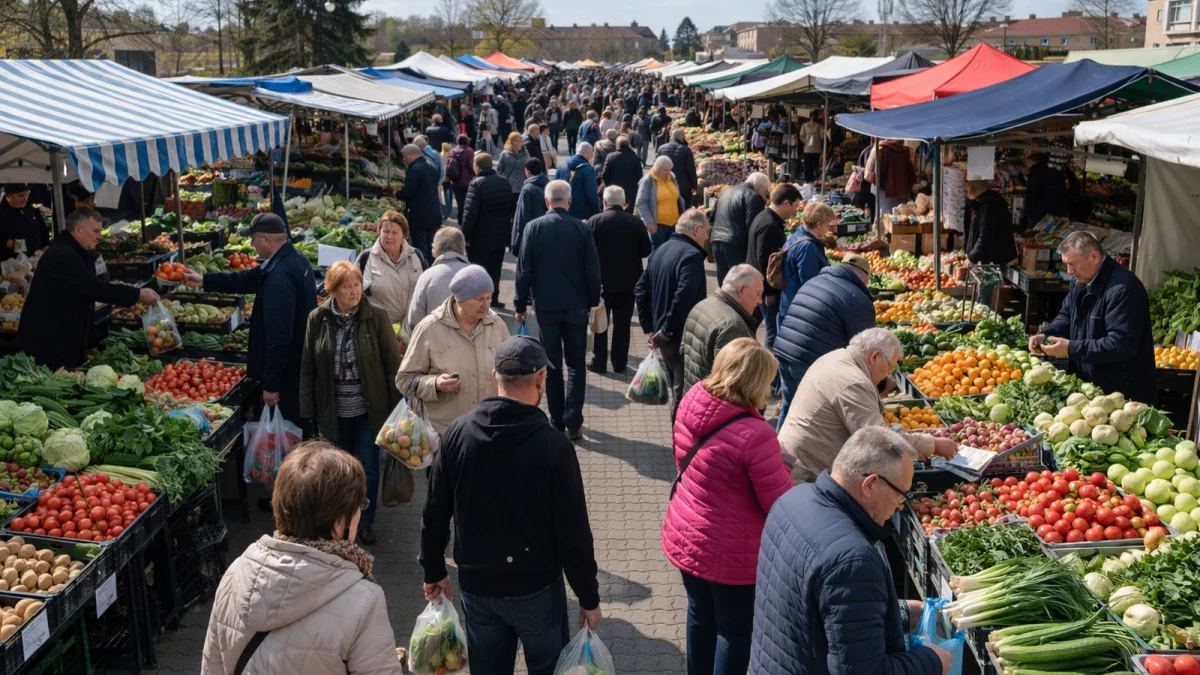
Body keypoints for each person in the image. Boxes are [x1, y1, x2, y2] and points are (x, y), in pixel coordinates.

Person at [420, 336, 601, 675]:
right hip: (536, 589)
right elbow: (573, 532)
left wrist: (433, 569)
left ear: (494, 377)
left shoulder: (458, 434)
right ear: (541, 380)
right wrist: (588, 597)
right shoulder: (555, 446)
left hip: (478, 585)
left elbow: (434, 511)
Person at [750, 427, 953, 675]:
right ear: (870, 484)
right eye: (901, 495)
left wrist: (893, 614)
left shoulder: (792, 499)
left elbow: (819, 608)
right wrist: (932, 662)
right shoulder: (853, 559)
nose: (901, 506)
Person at [202, 442, 403, 674]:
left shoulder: (235, 573)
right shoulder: (364, 600)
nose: (360, 512)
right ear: (339, 521)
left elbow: (212, 666)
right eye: (359, 505)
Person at [664, 338, 792, 675]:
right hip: (732, 552)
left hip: (687, 532)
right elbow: (777, 501)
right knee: (735, 632)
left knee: (699, 615)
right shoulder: (756, 434)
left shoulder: (694, 398)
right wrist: (785, 468)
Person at [298, 261, 402, 545]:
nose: (354, 291)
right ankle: (339, 520)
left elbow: (393, 365)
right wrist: (307, 410)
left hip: (370, 408)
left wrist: (399, 409)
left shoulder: (376, 317)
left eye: (357, 285)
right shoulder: (317, 319)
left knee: (367, 466)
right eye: (347, 286)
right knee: (337, 469)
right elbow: (308, 367)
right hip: (333, 410)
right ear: (332, 290)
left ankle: (365, 522)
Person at [183, 213, 314, 425]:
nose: (251, 244)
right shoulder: (294, 259)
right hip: (300, 366)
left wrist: (271, 385)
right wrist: (204, 281)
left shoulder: (278, 280)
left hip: (288, 375)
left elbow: (279, 338)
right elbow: (247, 278)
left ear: (266, 239)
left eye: (253, 238)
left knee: (288, 433)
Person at [779, 329, 957, 483]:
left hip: (794, 459)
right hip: (805, 472)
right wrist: (931, 444)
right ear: (875, 356)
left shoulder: (836, 357)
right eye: (890, 367)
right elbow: (879, 440)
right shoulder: (853, 381)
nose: (888, 375)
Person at [514, 180, 602, 439]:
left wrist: (520, 305)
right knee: (576, 363)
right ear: (570, 201)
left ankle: (556, 420)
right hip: (576, 307)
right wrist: (592, 301)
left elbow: (523, 270)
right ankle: (573, 420)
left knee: (551, 364)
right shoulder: (581, 228)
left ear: (546, 201)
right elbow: (592, 269)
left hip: (546, 308)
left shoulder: (533, 228)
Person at [17, 207, 157, 371]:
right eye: (96, 231)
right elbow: (93, 288)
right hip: (48, 341)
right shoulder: (62, 255)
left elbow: (85, 300)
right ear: (78, 230)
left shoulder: (77, 253)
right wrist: (137, 294)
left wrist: (91, 341)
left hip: (63, 337)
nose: (99, 236)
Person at [1029, 231, 1156, 403]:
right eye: (1066, 264)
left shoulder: (1124, 289)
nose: (1069, 271)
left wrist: (1071, 348)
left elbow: (1121, 345)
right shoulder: (1080, 281)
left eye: (1072, 264)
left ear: (1094, 257)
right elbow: (1067, 315)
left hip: (1121, 393)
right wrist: (1046, 333)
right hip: (1090, 386)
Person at [397, 265, 510, 433]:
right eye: (479, 299)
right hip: (446, 434)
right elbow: (404, 381)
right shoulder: (429, 328)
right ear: (460, 299)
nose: (486, 306)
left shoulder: (497, 325)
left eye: (489, 298)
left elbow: (509, 373)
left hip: (488, 429)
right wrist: (434, 384)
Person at [774, 254, 875, 431]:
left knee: (789, 406)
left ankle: (777, 452)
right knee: (811, 415)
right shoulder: (858, 298)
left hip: (784, 350)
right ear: (863, 277)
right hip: (810, 359)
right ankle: (797, 455)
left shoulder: (814, 281)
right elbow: (864, 348)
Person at [635, 208, 711, 425]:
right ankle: (681, 440)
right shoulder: (692, 257)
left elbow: (640, 290)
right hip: (681, 336)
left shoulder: (659, 250)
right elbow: (683, 299)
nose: (707, 236)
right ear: (696, 229)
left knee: (676, 386)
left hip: (666, 334)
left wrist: (650, 328)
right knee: (683, 391)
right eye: (706, 230)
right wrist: (665, 331)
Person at [587, 186, 650, 375]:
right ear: (624, 202)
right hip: (629, 283)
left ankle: (599, 362)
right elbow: (646, 251)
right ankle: (619, 362)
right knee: (622, 324)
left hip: (601, 284)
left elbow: (587, 254)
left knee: (600, 323)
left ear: (604, 202)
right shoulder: (636, 222)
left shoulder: (594, 222)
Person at [746, 184, 803, 368]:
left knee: (755, 327)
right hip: (766, 291)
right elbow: (765, 261)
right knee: (772, 332)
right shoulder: (769, 225)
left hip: (760, 286)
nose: (795, 211)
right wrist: (769, 292)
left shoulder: (764, 218)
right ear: (785, 203)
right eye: (795, 206)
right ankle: (770, 374)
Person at [682, 265, 763, 391]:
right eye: (758, 294)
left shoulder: (701, 306)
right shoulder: (733, 326)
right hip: (712, 405)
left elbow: (683, 352)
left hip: (693, 395)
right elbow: (732, 383)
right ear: (741, 290)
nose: (760, 301)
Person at [461, 153, 515, 307]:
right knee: (495, 270)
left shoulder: (476, 184)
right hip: (500, 236)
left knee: (478, 271)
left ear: (476, 166)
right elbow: (512, 208)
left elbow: (469, 213)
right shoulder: (504, 182)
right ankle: (493, 299)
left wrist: (465, 236)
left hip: (480, 237)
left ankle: (478, 301)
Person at [356, 210, 425, 327]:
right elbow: (355, 294)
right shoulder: (366, 258)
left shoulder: (416, 256)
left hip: (412, 327)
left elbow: (425, 292)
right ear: (379, 232)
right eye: (386, 231)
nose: (389, 237)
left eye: (395, 233)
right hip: (378, 328)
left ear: (403, 236)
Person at [405, 227, 471, 338]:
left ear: (435, 251)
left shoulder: (427, 277)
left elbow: (414, 319)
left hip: (435, 345)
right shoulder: (477, 274)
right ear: (463, 249)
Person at [963, 178, 1019, 307]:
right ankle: (984, 315)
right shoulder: (988, 203)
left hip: (992, 257)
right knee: (985, 290)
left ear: (971, 188)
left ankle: (983, 319)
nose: (965, 190)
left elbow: (985, 236)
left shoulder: (988, 206)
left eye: (966, 187)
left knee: (986, 292)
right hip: (991, 256)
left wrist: (972, 257)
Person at [778, 201, 835, 320]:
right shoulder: (807, 247)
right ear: (819, 224)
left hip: (790, 304)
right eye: (828, 224)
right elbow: (810, 283)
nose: (829, 229)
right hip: (799, 311)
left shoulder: (796, 236)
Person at [710, 173, 769, 286]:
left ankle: (722, 303)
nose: (764, 195)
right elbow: (753, 226)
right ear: (760, 187)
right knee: (738, 283)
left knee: (723, 283)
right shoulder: (754, 196)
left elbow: (711, 216)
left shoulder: (725, 192)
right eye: (765, 191)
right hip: (735, 244)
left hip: (716, 241)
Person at [395, 144, 443, 263]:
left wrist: (396, 194)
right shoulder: (432, 166)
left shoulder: (415, 169)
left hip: (420, 216)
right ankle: (432, 269)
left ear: (411, 154)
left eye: (405, 156)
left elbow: (409, 191)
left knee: (421, 249)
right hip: (434, 214)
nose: (404, 159)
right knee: (432, 247)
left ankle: (423, 272)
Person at [637, 156, 688, 252]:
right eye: (665, 170)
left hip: (673, 223)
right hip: (658, 225)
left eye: (670, 169)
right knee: (658, 252)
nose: (668, 172)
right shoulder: (648, 181)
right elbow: (641, 202)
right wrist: (649, 222)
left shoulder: (672, 177)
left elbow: (677, 197)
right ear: (657, 169)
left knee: (670, 252)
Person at [554, 142, 602, 221]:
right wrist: (597, 211)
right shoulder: (588, 169)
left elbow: (555, 187)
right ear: (587, 154)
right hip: (582, 213)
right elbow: (591, 193)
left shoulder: (562, 166)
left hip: (562, 210)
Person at [511, 158, 549, 257]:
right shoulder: (547, 184)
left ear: (527, 171)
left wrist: (517, 240)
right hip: (544, 233)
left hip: (529, 235)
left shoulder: (527, 189)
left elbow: (523, 216)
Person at [0, 184, 49, 260]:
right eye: (20, 196)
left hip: (37, 257)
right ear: (8, 196)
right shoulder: (2, 213)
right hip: (13, 262)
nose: (25, 199)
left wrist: (47, 246)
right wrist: (5, 243)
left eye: (27, 195)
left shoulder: (32, 209)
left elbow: (43, 230)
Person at [1022, 152, 1069, 226]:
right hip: (1060, 212)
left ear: (1033, 161)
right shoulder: (1056, 173)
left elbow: (1031, 196)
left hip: (1042, 215)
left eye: (1026, 160)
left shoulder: (1035, 174)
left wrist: (1026, 215)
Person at [656, 128, 698, 208]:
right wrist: (694, 185)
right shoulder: (686, 150)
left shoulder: (661, 148)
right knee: (682, 208)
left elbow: (656, 167)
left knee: (667, 206)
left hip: (665, 183)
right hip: (683, 186)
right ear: (682, 138)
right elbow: (691, 170)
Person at [600, 135, 641, 215]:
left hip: (614, 191)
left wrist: (608, 185)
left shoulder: (611, 157)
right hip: (630, 192)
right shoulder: (635, 158)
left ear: (617, 145)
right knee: (628, 215)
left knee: (612, 213)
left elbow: (605, 174)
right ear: (629, 145)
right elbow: (639, 176)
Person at [446, 135, 476, 227]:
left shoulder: (451, 151)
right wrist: (475, 175)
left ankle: (460, 221)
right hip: (468, 181)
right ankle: (467, 221)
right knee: (469, 202)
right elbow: (471, 166)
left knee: (460, 203)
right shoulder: (469, 151)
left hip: (456, 181)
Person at [800, 111, 823, 182]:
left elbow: (801, 137)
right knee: (816, 166)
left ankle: (808, 180)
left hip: (807, 149)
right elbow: (822, 137)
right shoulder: (819, 126)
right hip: (817, 149)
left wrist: (806, 141)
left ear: (809, 117)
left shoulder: (804, 125)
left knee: (807, 167)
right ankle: (816, 181)